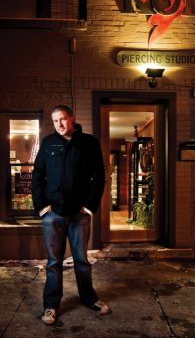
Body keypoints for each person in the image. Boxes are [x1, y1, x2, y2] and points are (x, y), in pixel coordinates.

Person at [32, 104, 111, 325]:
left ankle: (89, 299)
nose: (59, 124)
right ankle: (50, 305)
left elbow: (99, 176)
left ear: (72, 118)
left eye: (63, 119)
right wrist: (42, 208)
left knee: (81, 260)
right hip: (53, 214)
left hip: (79, 214)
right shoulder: (48, 143)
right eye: (55, 121)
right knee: (53, 262)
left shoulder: (89, 142)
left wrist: (89, 207)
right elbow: (38, 174)